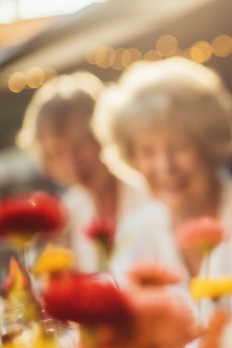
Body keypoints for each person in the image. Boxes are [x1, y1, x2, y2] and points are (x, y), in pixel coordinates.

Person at [93, 57, 232, 316]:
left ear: (209, 145)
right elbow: (127, 327)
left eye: (178, 146)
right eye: (147, 151)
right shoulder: (136, 231)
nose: (165, 166)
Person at [17, 71, 150, 272]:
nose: (72, 162)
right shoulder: (70, 212)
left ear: (107, 133)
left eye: (81, 144)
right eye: (57, 152)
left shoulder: (150, 193)